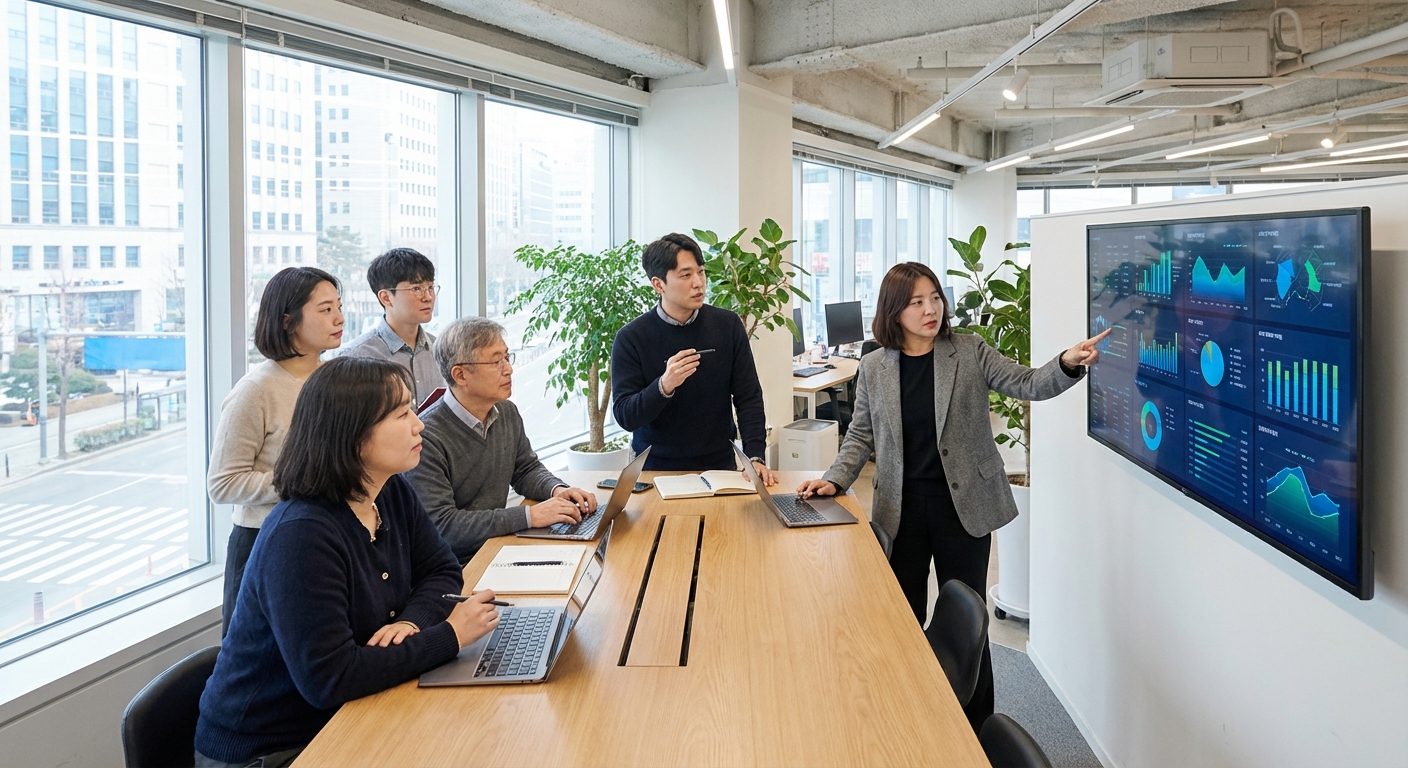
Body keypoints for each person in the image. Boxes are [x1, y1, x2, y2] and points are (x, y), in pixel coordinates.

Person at [795, 261, 1109, 732]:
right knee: (902, 620)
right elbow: (860, 434)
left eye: (935, 298)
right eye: (917, 302)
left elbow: (1026, 383)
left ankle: (976, 728)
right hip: (900, 510)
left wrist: (1066, 362)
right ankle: (907, 718)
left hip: (963, 509)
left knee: (968, 625)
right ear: (894, 311)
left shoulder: (968, 350)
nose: (931, 309)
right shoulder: (875, 366)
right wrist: (835, 479)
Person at [194, 357, 501, 767]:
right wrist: (450, 636)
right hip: (273, 749)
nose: (419, 425)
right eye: (401, 414)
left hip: (348, 714)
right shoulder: (301, 534)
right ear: (353, 434)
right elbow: (330, 679)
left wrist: (411, 624)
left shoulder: (390, 491)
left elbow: (441, 570)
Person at [207, 267, 344, 635]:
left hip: (324, 537)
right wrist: (303, 482)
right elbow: (222, 484)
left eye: (339, 307)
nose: (339, 318)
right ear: (288, 321)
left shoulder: (333, 378)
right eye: (325, 309)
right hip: (264, 544)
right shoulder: (256, 390)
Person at [404, 317, 598, 564]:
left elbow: (525, 469)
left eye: (507, 357)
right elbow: (443, 526)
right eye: (496, 361)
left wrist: (558, 490)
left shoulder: (506, 411)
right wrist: (529, 516)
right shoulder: (425, 438)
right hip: (455, 565)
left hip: (499, 545)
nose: (508, 369)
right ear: (460, 375)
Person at [610, 233, 775, 484]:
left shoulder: (727, 325)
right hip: (654, 471)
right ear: (659, 284)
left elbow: (748, 396)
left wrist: (755, 456)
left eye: (701, 272)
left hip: (719, 467)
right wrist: (664, 385)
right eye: (686, 275)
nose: (698, 283)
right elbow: (625, 416)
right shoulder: (631, 337)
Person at [342, 247, 445, 406]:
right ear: (386, 298)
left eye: (430, 287)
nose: (428, 297)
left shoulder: (441, 350)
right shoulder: (357, 357)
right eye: (416, 288)